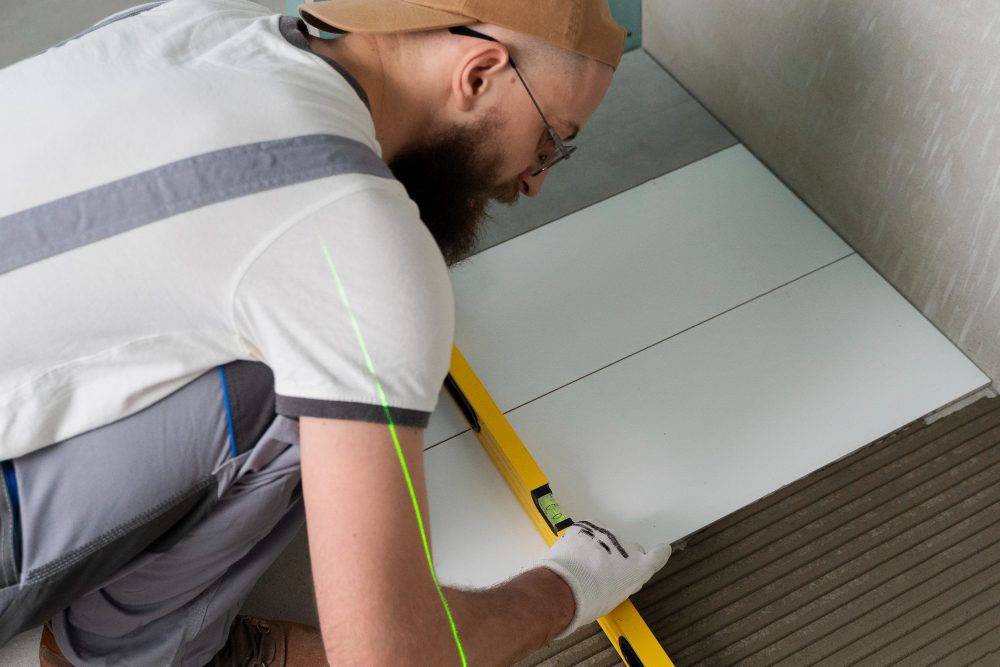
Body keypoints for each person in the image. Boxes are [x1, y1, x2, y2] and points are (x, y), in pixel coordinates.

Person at [0, 0, 671, 664]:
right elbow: (392, 657)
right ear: (479, 72)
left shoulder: (192, 22)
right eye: (551, 139)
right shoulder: (351, 233)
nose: (534, 182)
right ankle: (136, 653)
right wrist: (565, 589)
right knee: (311, 358)